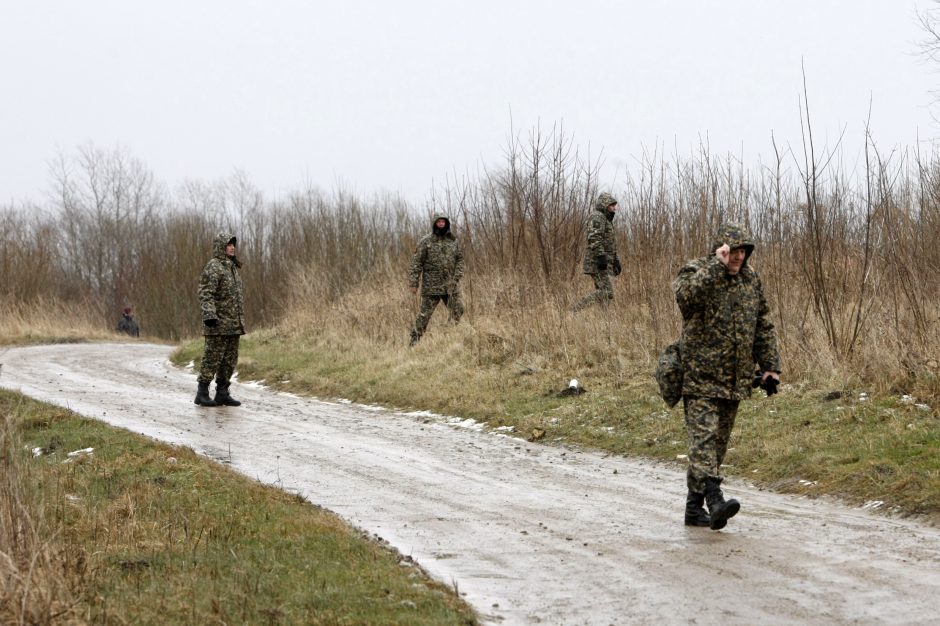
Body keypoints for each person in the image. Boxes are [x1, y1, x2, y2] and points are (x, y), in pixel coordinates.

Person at [673, 223, 781, 530]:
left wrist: (770, 366)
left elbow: (763, 325)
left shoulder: (751, 280)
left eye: (743, 251)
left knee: (715, 445)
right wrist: (714, 267)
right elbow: (686, 300)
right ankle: (714, 499)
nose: (738, 257)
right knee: (703, 440)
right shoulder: (697, 271)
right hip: (699, 376)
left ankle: (694, 510)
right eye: (733, 251)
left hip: (735, 378)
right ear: (721, 250)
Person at [194, 232, 245, 407]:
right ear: (220, 247)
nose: (232, 247)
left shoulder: (232, 267)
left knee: (229, 360)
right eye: (228, 244)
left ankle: (222, 392)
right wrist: (209, 315)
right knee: (212, 358)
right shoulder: (214, 266)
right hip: (217, 323)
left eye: (233, 244)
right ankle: (202, 392)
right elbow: (206, 292)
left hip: (233, 324)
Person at [408, 212, 465, 345]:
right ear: (435, 223)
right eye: (438, 222)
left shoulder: (453, 241)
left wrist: (456, 277)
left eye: (443, 222)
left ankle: (448, 336)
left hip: (450, 285)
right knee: (424, 316)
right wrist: (414, 283)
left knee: (458, 310)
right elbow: (416, 263)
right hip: (431, 287)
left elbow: (460, 259)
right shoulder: (426, 241)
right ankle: (414, 341)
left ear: (446, 223)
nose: (441, 224)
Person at [571, 192, 622, 312]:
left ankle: (603, 321)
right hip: (597, 262)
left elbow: (610, 244)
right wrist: (601, 256)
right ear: (604, 205)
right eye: (611, 205)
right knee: (607, 292)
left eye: (615, 205)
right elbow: (594, 237)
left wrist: (616, 261)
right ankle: (576, 310)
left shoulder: (606, 220)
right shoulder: (597, 217)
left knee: (603, 294)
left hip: (605, 262)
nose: (614, 207)